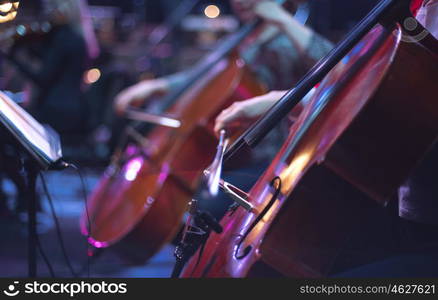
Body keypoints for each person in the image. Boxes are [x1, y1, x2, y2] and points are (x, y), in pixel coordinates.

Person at [215, 0, 438, 277]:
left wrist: (300, 98)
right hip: (398, 205)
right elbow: (360, 75)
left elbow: (397, 99)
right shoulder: (415, 9)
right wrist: (296, 99)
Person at [112, 0, 334, 218]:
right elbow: (205, 78)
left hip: (263, 160)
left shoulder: (287, 39)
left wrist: (281, 18)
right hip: (226, 154)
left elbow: (337, 66)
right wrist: (157, 85)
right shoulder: (244, 37)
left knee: (197, 208)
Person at [8, 0, 99, 135]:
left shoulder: (62, 37)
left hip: (55, 109)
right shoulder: (79, 37)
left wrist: (14, 60)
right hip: (74, 107)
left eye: (50, 7)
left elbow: (44, 79)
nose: (48, 13)